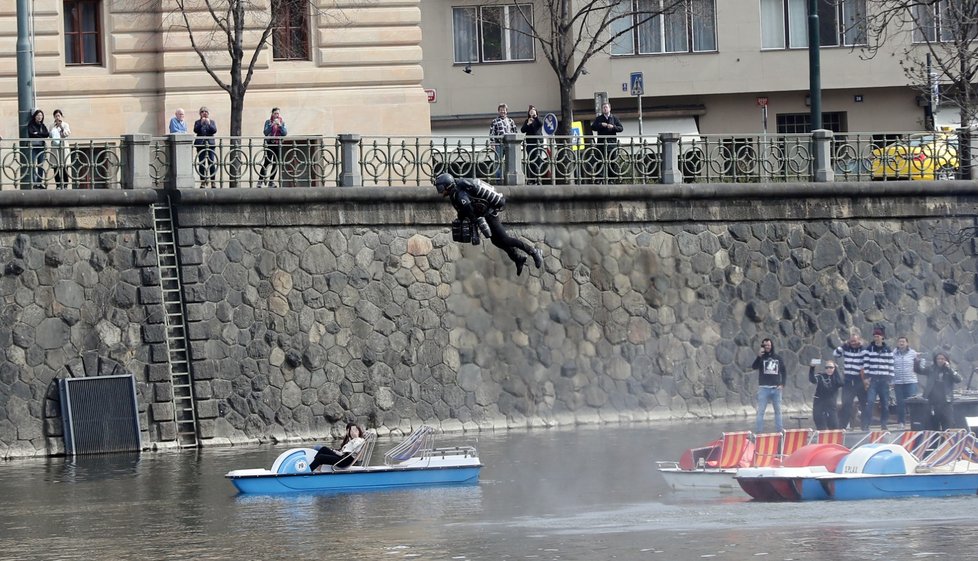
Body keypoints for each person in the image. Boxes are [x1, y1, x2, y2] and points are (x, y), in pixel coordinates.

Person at [434, 173, 544, 276]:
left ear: (447, 186)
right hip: (485, 214)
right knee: (496, 241)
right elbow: (463, 211)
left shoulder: (459, 194)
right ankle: (518, 258)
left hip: (490, 213)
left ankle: (534, 252)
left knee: (504, 239)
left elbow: (469, 210)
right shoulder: (455, 193)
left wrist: (474, 223)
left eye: (441, 188)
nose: (440, 192)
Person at [914, 352, 962, 430]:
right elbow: (919, 370)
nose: (940, 360)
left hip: (946, 401)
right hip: (933, 401)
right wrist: (916, 361)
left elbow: (958, 379)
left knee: (947, 424)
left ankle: (946, 440)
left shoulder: (950, 370)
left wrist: (949, 368)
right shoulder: (931, 369)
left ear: (946, 360)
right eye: (938, 359)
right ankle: (935, 441)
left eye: (942, 359)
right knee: (933, 424)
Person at [861, 326, 894, 431]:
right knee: (870, 403)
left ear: (882, 337)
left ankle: (883, 424)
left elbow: (891, 365)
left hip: (884, 380)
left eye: (878, 336)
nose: (876, 338)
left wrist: (891, 379)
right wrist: (866, 378)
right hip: (873, 380)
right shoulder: (869, 349)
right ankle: (866, 424)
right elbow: (866, 364)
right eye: (875, 336)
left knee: (885, 404)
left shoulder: (887, 350)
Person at [834, 330, 868, 430]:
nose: (853, 343)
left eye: (855, 341)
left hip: (859, 379)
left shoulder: (863, 350)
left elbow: (867, 357)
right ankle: (843, 426)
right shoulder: (846, 349)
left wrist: (861, 346)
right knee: (846, 404)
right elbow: (835, 353)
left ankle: (865, 426)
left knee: (864, 403)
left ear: (859, 340)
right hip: (848, 380)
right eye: (851, 341)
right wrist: (844, 345)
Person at [752, 338, 786, 433]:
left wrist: (783, 384)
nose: (767, 347)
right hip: (764, 388)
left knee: (778, 411)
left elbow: (784, 371)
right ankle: (758, 432)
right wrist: (758, 356)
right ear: (762, 346)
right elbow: (754, 367)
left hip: (776, 388)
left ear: (772, 346)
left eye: (769, 345)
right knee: (760, 412)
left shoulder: (778, 358)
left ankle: (779, 431)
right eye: (765, 345)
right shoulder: (761, 358)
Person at [891, 336, 920, 429]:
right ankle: (901, 422)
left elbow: (918, 366)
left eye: (903, 341)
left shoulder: (913, 353)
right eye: (900, 341)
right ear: (897, 343)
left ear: (907, 343)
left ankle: (915, 422)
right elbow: (890, 367)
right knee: (900, 403)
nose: (901, 343)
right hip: (898, 382)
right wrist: (891, 380)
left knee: (912, 403)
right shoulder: (893, 354)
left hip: (911, 381)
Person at [590, 102, 623, 183]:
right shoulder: (599, 118)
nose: (605, 109)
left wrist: (613, 127)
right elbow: (593, 127)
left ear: (609, 108)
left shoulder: (614, 118)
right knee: (600, 160)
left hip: (612, 143)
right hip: (601, 143)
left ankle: (611, 178)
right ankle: (599, 178)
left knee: (612, 161)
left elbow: (621, 128)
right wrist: (601, 125)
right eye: (604, 107)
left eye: (606, 107)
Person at [258, 107, 288, 188]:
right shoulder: (268, 122)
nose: (277, 115)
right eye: (275, 113)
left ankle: (271, 182)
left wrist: (280, 126)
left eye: (278, 113)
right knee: (267, 162)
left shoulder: (282, 122)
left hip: (278, 144)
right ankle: (260, 181)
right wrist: (272, 125)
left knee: (276, 163)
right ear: (272, 114)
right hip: (270, 144)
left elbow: (285, 133)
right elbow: (265, 132)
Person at [810, 359, 842, 430]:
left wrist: (837, 370)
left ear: (834, 368)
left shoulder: (836, 377)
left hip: (831, 404)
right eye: (827, 367)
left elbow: (840, 383)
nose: (829, 369)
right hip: (819, 403)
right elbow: (812, 380)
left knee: (834, 425)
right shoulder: (821, 376)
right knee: (820, 424)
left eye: (831, 367)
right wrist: (812, 368)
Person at [489, 103, 517, 182]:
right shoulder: (495, 121)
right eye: (501, 110)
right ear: (498, 111)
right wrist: (492, 144)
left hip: (509, 144)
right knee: (498, 163)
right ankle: (499, 180)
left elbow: (515, 132)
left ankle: (509, 180)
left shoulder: (511, 121)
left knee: (510, 163)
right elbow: (492, 133)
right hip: (499, 144)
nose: (503, 112)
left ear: (506, 111)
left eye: (504, 110)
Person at [193, 107, 218, 188]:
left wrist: (209, 124)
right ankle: (203, 181)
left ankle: (213, 181)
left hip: (210, 145)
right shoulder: (197, 122)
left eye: (206, 112)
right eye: (202, 112)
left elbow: (214, 130)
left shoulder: (212, 122)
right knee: (201, 163)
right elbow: (196, 130)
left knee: (211, 162)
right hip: (201, 145)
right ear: (200, 113)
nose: (204, 113)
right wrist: (201, 123)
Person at [520, 105, 545, 184]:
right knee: (530, 160)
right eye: (530, 112)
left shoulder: (538, 119)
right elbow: (522, 130)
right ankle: (531, 179)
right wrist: (528, 124)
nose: (532, 113)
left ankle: (538, 178)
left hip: (538, 143)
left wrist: (535, 117)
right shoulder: (527, 120)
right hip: (530, 142)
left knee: (538, 160)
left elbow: (541, 123)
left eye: (533, 111)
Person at [26, 109, 49, 189]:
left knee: (40, 165)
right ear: (35, 116)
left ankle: (39, 183)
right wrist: (40, 135)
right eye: (38, 115)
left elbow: (47, 134)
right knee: (32, 165)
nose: (40, 117)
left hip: (41, 147)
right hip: (33, 147)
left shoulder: (42, 125)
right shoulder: (31, 124)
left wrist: (38, 134)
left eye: (41, 116)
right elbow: (31, 134)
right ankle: (34, 183)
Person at [49, 109, 72, 190]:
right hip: (55, 147)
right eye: (56, 116)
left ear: (61, 116)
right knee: (56, 166)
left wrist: (61, 127)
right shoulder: (52, 125)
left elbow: (67, 133)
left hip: (63, 146)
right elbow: (50, 135)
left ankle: (65, 184)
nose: (57, 117)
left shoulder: (65, 124)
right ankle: (58, 184)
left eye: (58, 115)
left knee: (64, 166)